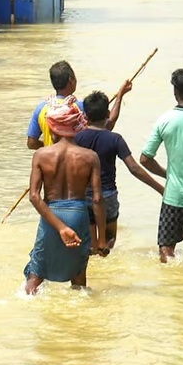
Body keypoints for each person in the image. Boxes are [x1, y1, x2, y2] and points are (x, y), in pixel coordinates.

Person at [24, 99, 110, 295]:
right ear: (75, 129)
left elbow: (34, 197)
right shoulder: (90, 157)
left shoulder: (41, 155)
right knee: (78, 277)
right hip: (78, 215)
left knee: (35, 274)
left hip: (51, 216)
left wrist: (60, 227)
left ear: (53, 129)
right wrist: (101, 240)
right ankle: (78, 322)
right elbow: (97, 199)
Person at [76, 87, 163, 247]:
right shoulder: (115, 139)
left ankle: (94, 266)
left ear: (85, 117)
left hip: (84, 195)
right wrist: (160, 188)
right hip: (107, 195)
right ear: (107, 114)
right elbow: (134, 168)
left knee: (91, 244)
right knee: (109, 240)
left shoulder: (77, 138)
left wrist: (120, 94)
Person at [140, 69, 183, 263]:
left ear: (174, 91)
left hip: (175, 196)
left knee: (166, 249)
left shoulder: (164, 120)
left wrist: (167, 174)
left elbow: (145, 159)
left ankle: (171, 286)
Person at [27, 61, 85, 150]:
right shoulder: (80, 108)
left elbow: (31, 143)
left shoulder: (41, 108)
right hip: (74, 161)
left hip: (49, 161)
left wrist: (48, 147)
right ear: (71, 80)